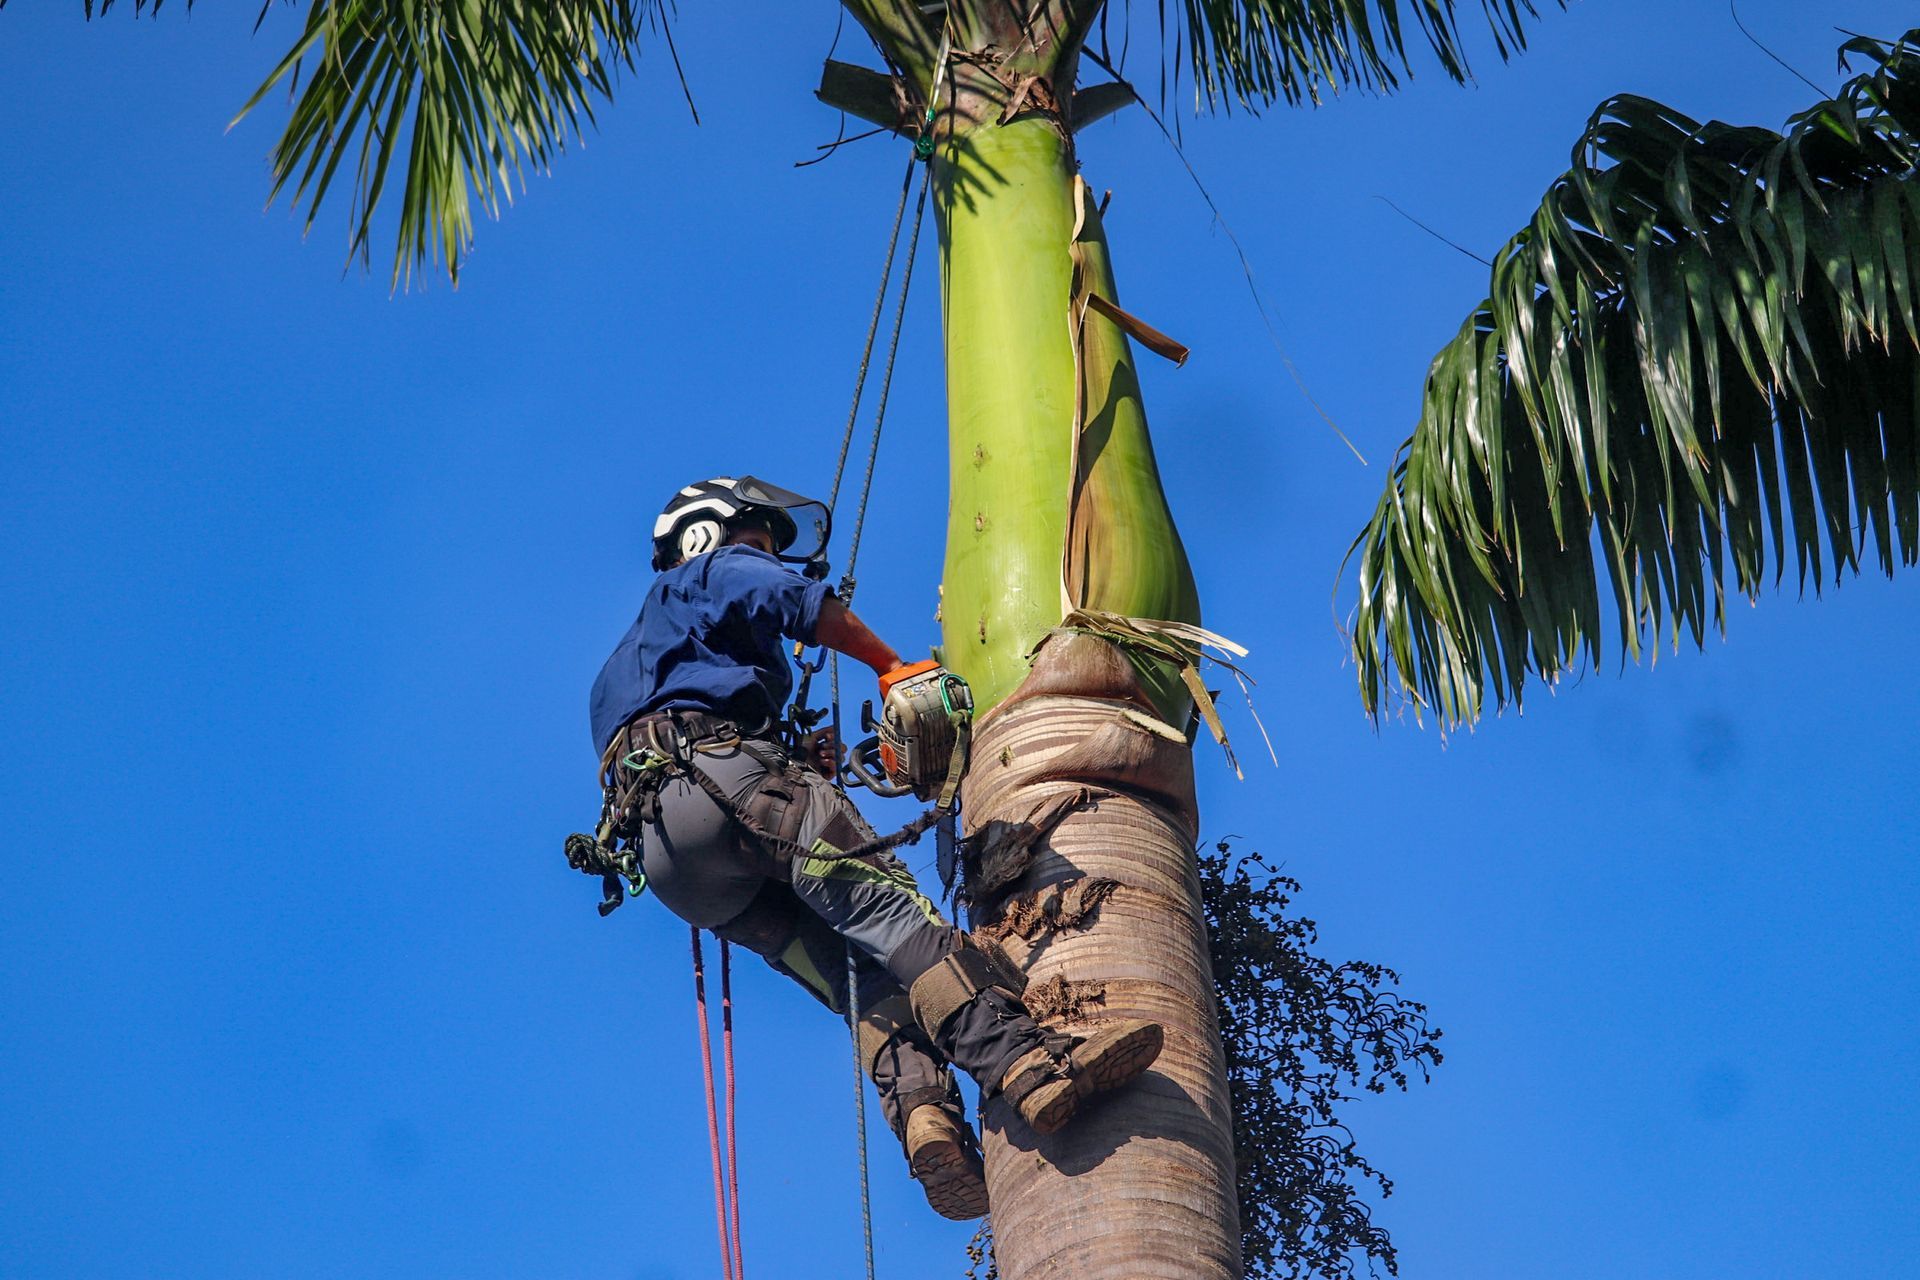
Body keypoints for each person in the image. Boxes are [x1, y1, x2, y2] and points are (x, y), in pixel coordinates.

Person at [587, 476, 1163, 1220]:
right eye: (759, 540)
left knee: (861, 982)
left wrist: (794, 757)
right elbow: (786, 601)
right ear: (704, 535)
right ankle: (1025, 1061)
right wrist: (889, 664)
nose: (767, 555)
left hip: (677, 868)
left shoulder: (623, 668)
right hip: (734, 786)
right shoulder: (707, 571)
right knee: (896, 922)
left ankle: (927, 1120)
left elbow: (678, 724)